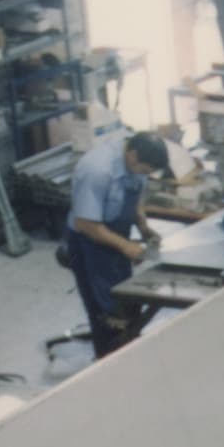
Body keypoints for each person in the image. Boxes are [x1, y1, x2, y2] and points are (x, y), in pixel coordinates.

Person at [65, 128, 172, 357]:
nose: (145, 174)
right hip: (89, 242)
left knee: (127, 299)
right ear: (132, 156)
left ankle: (128, 350)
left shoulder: (135, 162)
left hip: (115, 234)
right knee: (106, 310)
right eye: (145, 170)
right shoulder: (97, 170)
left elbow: (136, 192)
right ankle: (107, 361)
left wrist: (142, 226)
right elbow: (86, 223)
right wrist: (125, 246)